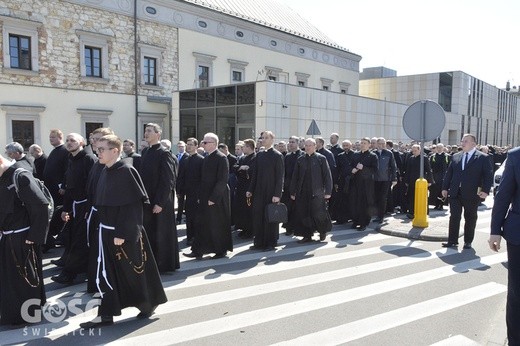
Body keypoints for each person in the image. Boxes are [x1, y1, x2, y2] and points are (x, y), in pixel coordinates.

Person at [79, 135, 167, 328]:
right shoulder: (104, 170)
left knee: (133, 273)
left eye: (102, 149)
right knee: (106, 274)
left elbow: (134, 207)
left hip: (123, 233)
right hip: (105, 231)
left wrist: (123, 233)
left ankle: (148, 303)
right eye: (97, 148)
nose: (97, 152)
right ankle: (106, 315)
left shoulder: (127, 171)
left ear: (115, 151)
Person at [0, 153, 49, 325]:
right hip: (7, 237)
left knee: (24, 278)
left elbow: (41, 206)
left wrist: (34, 237)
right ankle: (12, 313)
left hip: (22, 237)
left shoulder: (20, 176)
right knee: (10, 279)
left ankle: (27, 314)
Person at [51, 133, 97, 284]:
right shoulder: (71, 159)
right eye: (68, 140)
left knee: (80, 240)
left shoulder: (89, 159)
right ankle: (71, 266)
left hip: (86, 206)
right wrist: (66, 209)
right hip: (76, 205)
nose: (69, 143)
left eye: (73, 140)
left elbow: (93, 187)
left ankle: (69, 274)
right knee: (72, 238)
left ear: (82, 143)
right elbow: (70, 186)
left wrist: (88, 209)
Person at [184, 133, 232, 259]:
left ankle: (220, 250)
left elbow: (222, 180)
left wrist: (213, 198)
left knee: (217, 225)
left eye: (205, 142)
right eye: (203, 142)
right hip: (205, 196)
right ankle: (198, 250)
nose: (203, 144)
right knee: (201, 224)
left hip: (217, 198)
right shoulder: (206, 157)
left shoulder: (221, 158)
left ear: (214, 144)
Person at [490, 147, 520, 345]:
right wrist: (495, 230)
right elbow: (503, 195)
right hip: (518, 235)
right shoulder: (516, 156)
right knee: (517, 292)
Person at [139, 123, 179, 272]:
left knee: (162, 233)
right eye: (145, 131)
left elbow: (168, 180)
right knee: (151, 232)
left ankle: (165, 264)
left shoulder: (164, 153)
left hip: (160, 201)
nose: (146, 133)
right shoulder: (145, 152)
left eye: (149, 131)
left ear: (158, 134)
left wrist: (160, 202)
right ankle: (152, 262)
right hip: (148, 200)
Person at [442, 134, 493, 249]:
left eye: (466, 141)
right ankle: (452, 240)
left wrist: (485, 191)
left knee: (470, 217)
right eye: (462, 141)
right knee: (454, 217)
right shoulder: (456, 156)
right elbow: (449, 173)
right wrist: (445, 188)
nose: (462, 143)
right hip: (455, 192)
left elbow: (488, 176)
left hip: (472, 194)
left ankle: (468, 241)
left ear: (473, 144)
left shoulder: (482, 157)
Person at [247, 131, 284, 251]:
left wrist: (277, 194)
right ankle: (258, 241)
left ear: (272, 139)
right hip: (259, 191)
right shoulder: (260, 155)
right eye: (262, 138)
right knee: (258, 216)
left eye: (266, 138)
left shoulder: (277, 155)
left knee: (270, 217)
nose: (263, 140)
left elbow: (280, 177)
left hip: (271, 191)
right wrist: (250, 190)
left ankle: (270, 243)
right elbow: (255, 175)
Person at [290, 138, 332, 243]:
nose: (307, 147)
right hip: (302, 192)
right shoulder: (300, 159)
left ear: (315, 146)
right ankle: (307, 235)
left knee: (318, 214)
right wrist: (293, 191)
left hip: (317, 192)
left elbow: (327, 176)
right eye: (306, 145)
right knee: (304, 214)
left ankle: (322, 232)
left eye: (310, 145)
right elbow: (295, 177)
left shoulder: (321, 158)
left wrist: (328, 192)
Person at [176, 138, 204, 246]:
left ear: (196, 146)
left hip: (196, 193)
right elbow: (180, 176)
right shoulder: (185, 160)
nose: (189, 146)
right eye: (188, 144)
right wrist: (179, 190)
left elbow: (202, 178)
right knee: (188, 216)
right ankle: (190, 237)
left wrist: (200, 194)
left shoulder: (201, 160)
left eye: (191, 145)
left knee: (196, 217)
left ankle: (196, 238)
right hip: (186, 192)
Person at [349, 137, 378, 231]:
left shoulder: (373, 156)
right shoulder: (355, 155)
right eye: (361, 143)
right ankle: (355, 221)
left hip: (367, 184)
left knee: (364, 204)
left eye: (365, 143)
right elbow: (351, 165)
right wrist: (352, 170)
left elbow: (375, 170)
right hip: (355, 183)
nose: (362, 144)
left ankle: (364, 223)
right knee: (354, 203)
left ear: (369, 145)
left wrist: (364, 168)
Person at [233, 139, 256, 239]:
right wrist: (241, 168)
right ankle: (244, 228)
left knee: (248, 209)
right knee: (241, 209)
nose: (242, 149)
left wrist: (247, 169)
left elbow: (253, 172)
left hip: (249, 187)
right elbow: (234, 168)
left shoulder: (255, 158)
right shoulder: (243, 158)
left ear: (249, 147)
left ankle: (250, 230)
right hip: (241, 186)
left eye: (244, 147)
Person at [403, 144, 433, 219]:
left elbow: (428, 170)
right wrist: (406, 180)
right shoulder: (411, 158)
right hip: (412, 181)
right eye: (413, 151)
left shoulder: (424, 158)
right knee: (411, 197)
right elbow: (408, 170)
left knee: (422, 197)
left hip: (421, 182)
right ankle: (411, 212)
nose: (414, 152)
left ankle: (425, 212)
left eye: (415, 151)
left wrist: (430, 181)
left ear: (419, 150)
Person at [281, 136, 303, 236]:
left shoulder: (302, 155)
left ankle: (297, 227)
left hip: (299, 186)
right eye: (289, 142)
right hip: (288, 186)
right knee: (288, 207)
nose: (290, 144)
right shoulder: (287, 156)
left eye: (293, 142)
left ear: (298, 144)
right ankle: (288, 227)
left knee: (297, 208)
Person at [373, 137, 397, 223]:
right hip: (375, 180)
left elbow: (393, 167)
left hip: (385, 179)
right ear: (377, 144)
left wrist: (394, 178)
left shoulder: (389, 153)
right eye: (380, 143)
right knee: (376, 198)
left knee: (383, 198)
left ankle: (381, 217)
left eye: (383, 144)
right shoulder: (373, 153)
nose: (382, 145)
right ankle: (377, 215)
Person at [429, 143, 450, 210]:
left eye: (440, 147)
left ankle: (441, 205)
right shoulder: (433, 156)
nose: (439, 149)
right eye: (438, 147)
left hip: (444, 177)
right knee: (435, 191)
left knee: (442, 191)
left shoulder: (447, 156)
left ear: (443, 148)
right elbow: (430, 166)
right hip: (435, 177)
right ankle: (436, 204)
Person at [175, 141, 189, 224]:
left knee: (187, 201)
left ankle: (185, 216)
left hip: (186, 182)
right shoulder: (176, 156)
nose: (181, 148)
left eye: (182, 146)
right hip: (178, 183)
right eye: (179, 146)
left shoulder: (187, 156)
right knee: (179, 201)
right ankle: (178, 218)